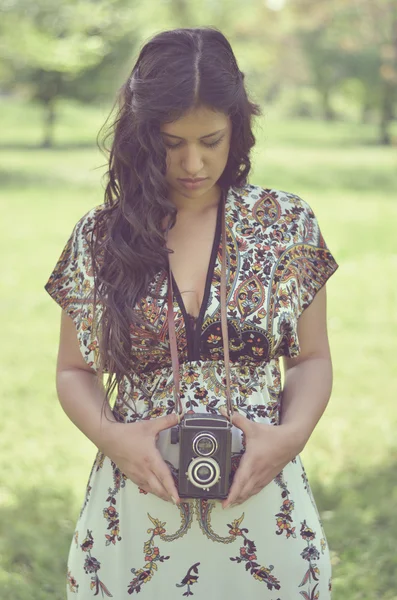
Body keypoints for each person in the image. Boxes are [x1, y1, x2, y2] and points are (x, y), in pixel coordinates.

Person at [44, 26, 339, 599]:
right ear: (140, 133)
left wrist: (292, 435)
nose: (193, 162)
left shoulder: (287, 224)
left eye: (211, 139)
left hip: (264, 507)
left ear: (239, 128)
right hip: (136, 512)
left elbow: (313, 359)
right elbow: (73, 370)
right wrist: (114, 437)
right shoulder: (101, 236)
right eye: (171, 141)